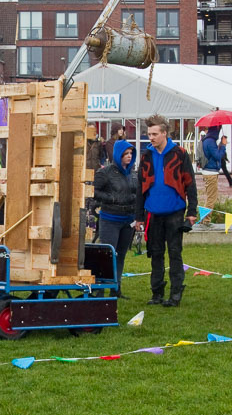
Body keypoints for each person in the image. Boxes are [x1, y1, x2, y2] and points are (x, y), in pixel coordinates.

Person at [137, 114, 198, 307]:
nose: (151, 137)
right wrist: (138, 217)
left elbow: (191, 183)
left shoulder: (180, 153)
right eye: (149, 134)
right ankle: (157, 293)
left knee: (174, 253)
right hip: (153, 213)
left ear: (164, 133)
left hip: (174, 213)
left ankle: (175, 294)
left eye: (155, 133)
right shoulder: (146, 155)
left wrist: (192, 212)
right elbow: (140, 187)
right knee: (155, 254)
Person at [93, 139, 138, 297]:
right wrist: (110, 198)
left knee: (121, 254)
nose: (128, 156)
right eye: (125, 154)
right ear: (118, 155)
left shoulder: (133, 174)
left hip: (128, 219)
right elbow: (93, 191)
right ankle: (99, 290)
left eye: (131, 153)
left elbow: (137, 192)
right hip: (110, 218)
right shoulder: (105, 173)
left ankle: (116, 288)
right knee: (106, 254)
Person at [199, 126, 221, 224]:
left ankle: (204, 219)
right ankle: (206, 221)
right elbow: (218, 156)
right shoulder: (210, 141)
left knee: (209, 197)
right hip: (211, 172)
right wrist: (223, 146)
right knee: (211, 198)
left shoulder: (207, 140)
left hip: (208, 171)